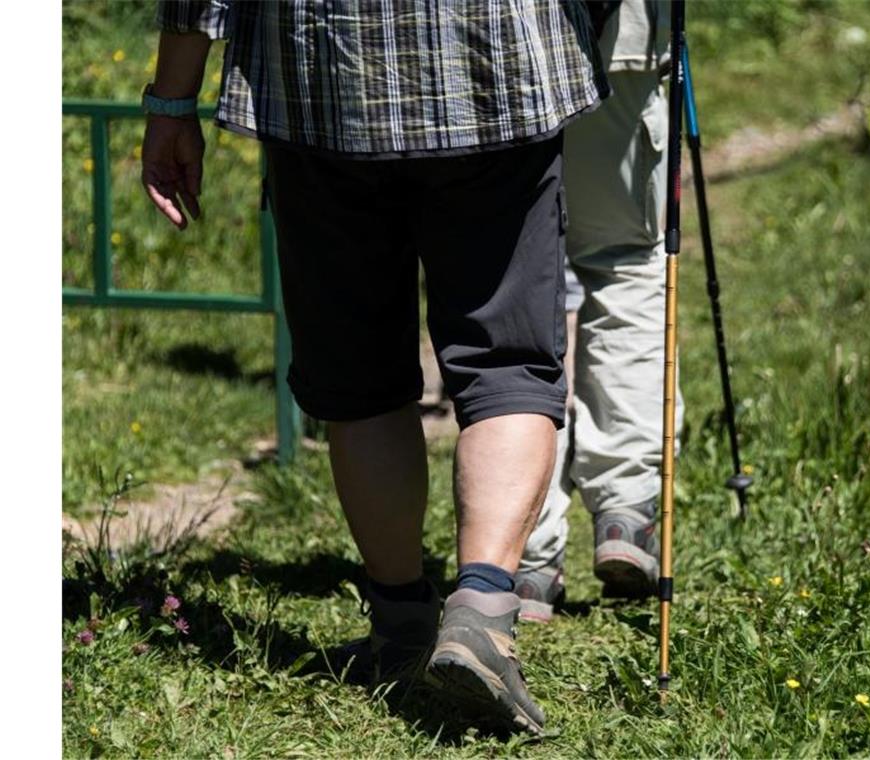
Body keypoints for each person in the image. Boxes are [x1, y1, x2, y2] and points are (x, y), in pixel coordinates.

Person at [142, 0, 608, 736]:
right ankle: (483, 608)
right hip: (498, 66)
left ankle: (400, 626)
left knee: (357, 376)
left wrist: (172, 99)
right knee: (508, 359)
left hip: (321, 79)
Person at [514, 0, 683, 623]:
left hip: (491, 48)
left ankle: (524, 555)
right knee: (625, 259)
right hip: (617, 41)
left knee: (519, 280)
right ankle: (626, 509)